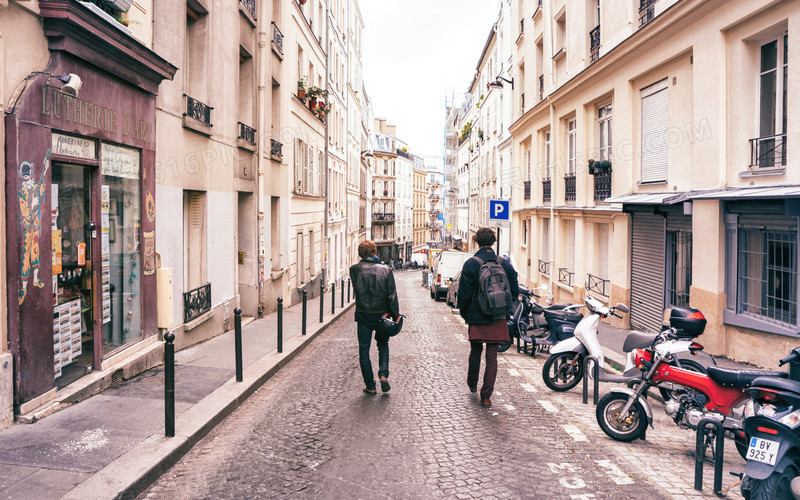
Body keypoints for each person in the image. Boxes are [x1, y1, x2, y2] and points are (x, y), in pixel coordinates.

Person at [457, 227, 519, 408]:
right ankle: (486, 396)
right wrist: (504, 309)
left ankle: (472, 383)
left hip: (477, 314)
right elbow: (514, 291)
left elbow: (464, 294)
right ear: (493, 241)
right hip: (498, 315)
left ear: (476, 241)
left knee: (475, 350)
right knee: (492, 356)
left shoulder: (471, 264)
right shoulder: (504, 263)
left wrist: (466, 314)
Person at [350, 240, 400, 394]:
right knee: (383, 345)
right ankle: (383, 376)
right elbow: (392, 296)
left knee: (364, 350)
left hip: (364, 314)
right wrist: (395, 316)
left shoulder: (354, 270)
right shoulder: (386, 270)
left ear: (360, 254)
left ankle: (370, 386)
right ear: (374, 252)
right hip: (382, 315)